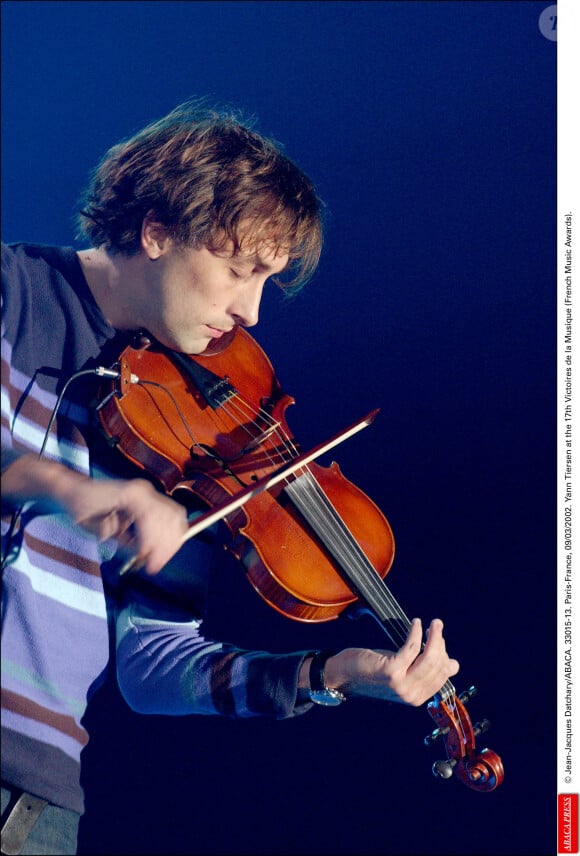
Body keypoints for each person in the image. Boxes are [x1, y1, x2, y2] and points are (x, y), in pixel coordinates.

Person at [1, 99, 459, 855]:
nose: (250, 312)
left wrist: (332, 671)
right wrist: (69, 488)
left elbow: (152, 664)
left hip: (37, 808)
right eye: (239, 271)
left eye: (267, 283)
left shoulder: (192, 442)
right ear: (156, 231)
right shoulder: (12, 291)